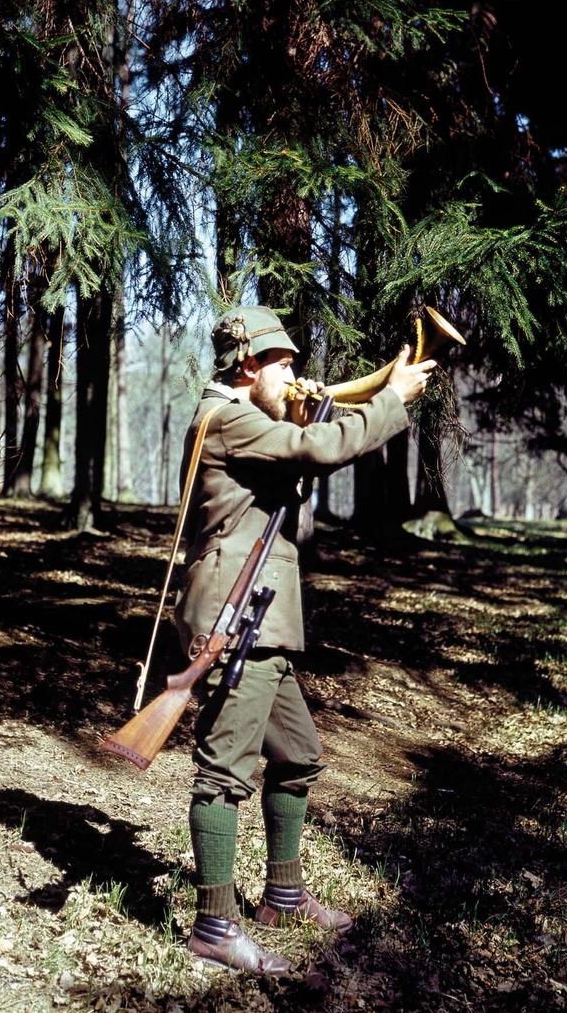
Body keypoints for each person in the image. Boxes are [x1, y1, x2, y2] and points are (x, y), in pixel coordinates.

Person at [174, 304, 435, 974]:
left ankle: (282, 897)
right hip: (237, 625)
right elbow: (312, 452)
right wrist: (390, 401)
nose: (296, 372)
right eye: (282, 362)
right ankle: (212, 926)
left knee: (296, 756)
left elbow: (293, 455)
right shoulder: (227, 417)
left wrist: (317, 407)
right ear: (245, 365)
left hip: (261, 618)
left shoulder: (247, 418)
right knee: (224, 773)